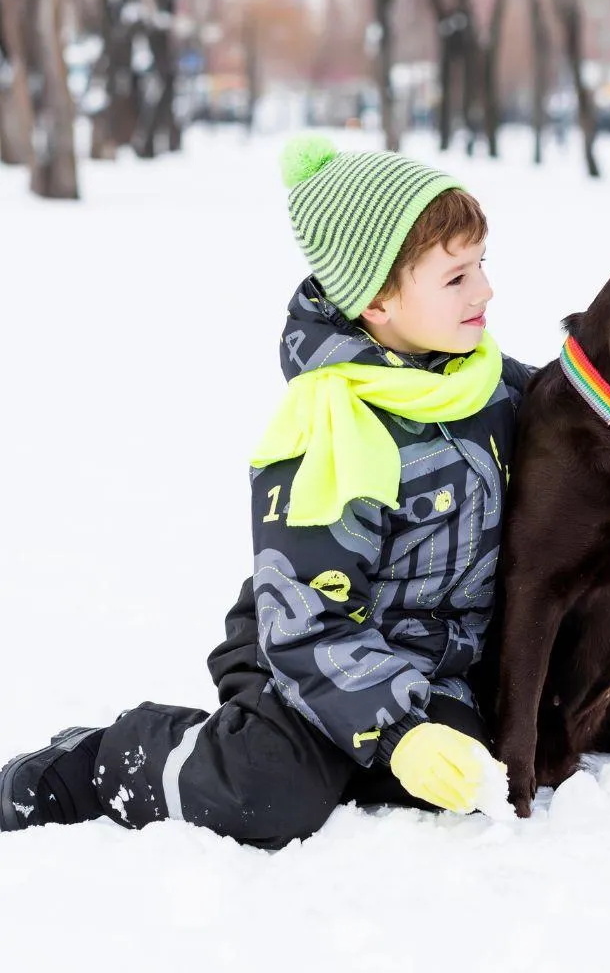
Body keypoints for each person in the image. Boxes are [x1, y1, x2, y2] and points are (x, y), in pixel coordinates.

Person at [0, 135, 534, 848]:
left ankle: (372, 736)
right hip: (302, 643)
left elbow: (587, 421)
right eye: (456, 276)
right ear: (377, 299)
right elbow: (306, 616)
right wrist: (400, 733)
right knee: (271, 793)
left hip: (433, 663)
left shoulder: (489, 384)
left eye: (482, 265)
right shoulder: (328, 430)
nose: (486, 291)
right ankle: (91, 765)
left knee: (465, 776)